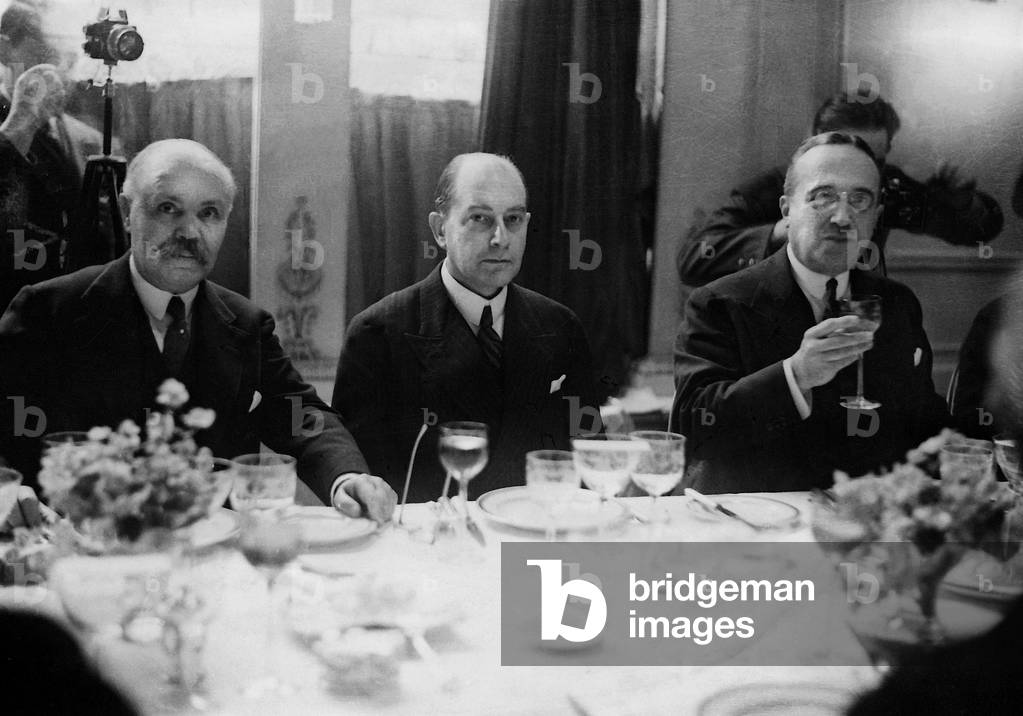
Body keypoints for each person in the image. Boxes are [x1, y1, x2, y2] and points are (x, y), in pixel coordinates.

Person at [0, 139, 395, 521]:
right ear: (126, 212)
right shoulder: (47, 311)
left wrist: (347, 477)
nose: (189, 232)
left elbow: (300, 415)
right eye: (168, 208)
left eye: (209, 213)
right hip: (78, 547)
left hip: (211, 549)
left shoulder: (246, 324)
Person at [673, 132, 949, 493]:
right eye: (823, 196)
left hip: (864, 516)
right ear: (787, 210)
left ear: (876, 216)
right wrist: (796, 375)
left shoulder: (896, 303)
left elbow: (923, 421)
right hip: (755, 517)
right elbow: (694, 430)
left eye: (860, 200)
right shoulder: (719, 302)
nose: (843, 217)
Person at [333, 152, 600, 503]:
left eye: (513, 219)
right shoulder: (377, 334)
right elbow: (365, 487)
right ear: (439, 229)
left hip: (535, 530)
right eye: (479, 218)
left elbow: (591, 460)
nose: (501, 238)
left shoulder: (562, 327)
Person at [677, 92, 1004, 287]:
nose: (860, 173)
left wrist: (963, 203)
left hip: (856, 320)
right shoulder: (771, 188)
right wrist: (783, 230)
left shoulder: (886, 185)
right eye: (843, 155)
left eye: (872, 159)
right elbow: (694, 259)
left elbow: (976, 232)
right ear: (814, 140)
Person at [0, 2, 116, 312]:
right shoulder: (11, 127)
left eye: (70, 58)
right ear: (5, 50)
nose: (62, 73)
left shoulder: (87, 138)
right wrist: (23, 122)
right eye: (46, 55)